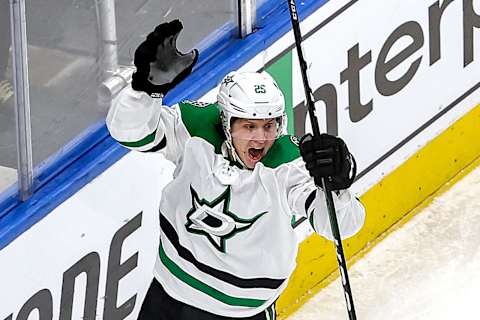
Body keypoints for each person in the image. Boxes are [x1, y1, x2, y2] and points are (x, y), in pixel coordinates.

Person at [106, 20, 365, 320]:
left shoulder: (289, 164)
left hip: (242, 313)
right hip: (169, 296)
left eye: (269, 126)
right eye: (249, 126)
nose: (261, 138)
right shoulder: (195, 130)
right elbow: (131, 134)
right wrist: (145, 90)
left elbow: (339, 226)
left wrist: (337, 185)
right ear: (226, 122)